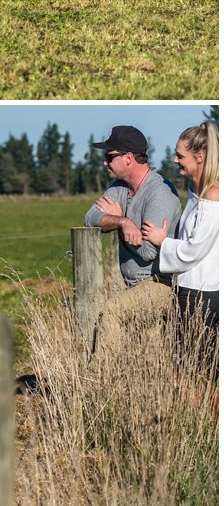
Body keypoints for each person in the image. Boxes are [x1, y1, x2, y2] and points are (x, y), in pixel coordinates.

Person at [83, 124, 182, 350]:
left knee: (112, 311)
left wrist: (121, 223)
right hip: (134, 286)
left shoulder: (160, 193)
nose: (105, 162)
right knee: (149, 355)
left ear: (128, 158)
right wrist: (122, 222)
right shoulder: (120, 186)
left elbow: (148, 251)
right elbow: (90, 217)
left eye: (109, 156)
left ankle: (100, 381)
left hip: (159, 285)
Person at [141, 120, 219, 374]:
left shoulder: (213, 196)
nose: (175, 160)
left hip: (201, 295)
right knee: (191, 369)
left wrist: (162, 240)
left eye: (180, 155)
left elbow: (194, 250)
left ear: (200, 156)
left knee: (197, 372)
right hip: (190, 289)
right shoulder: (197, 191)